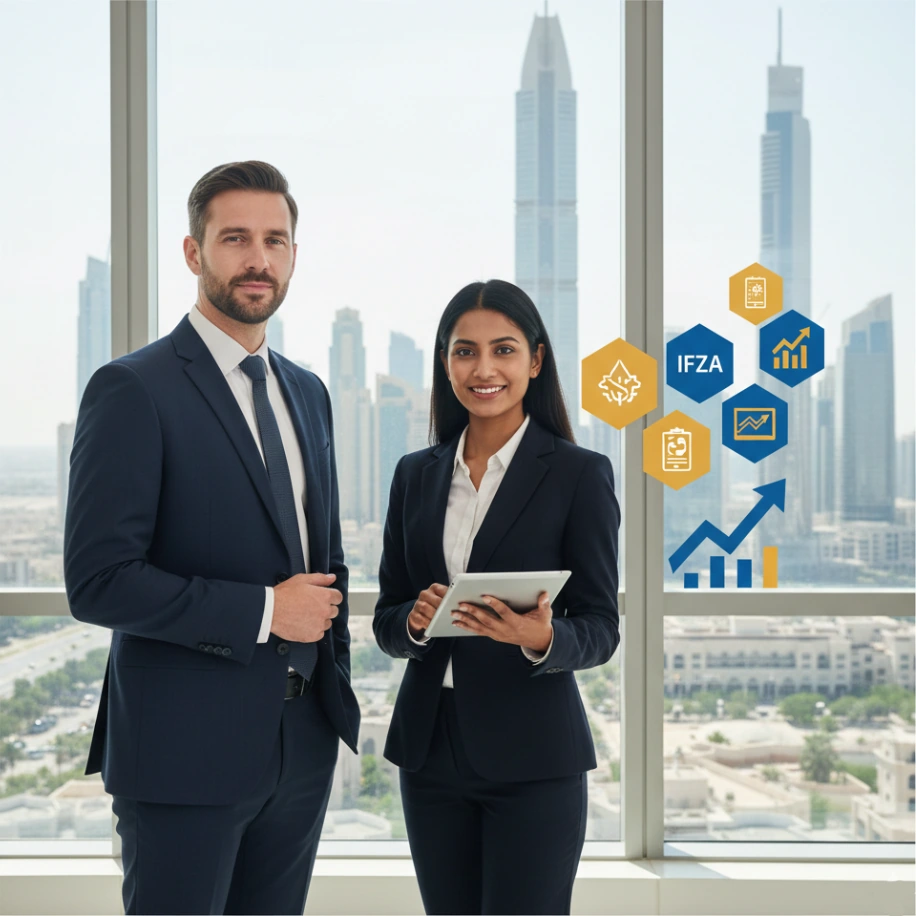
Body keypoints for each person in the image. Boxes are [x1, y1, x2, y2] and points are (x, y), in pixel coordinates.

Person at [63, 160, 359, 915]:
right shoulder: (134, 388)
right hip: (181, 753)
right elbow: (98, 581)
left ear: (293, 255)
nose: (258, 259)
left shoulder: (308, 392)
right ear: (194, 252)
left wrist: (331, 698)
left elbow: (322, 560)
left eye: (274, 240)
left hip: (302, 745)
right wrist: (265, 611)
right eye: (235, 239)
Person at [372, 279, 620, 915]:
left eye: (503, 350)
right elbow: (387, 616)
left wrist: (543, 638)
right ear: (445, 363)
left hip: (535, 755)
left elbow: (601, 626)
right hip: (429, 752)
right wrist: (415, 623)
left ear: (535, 361)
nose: (483, 369)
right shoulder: (414, 474)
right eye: (465, 351)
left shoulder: (579, 475)